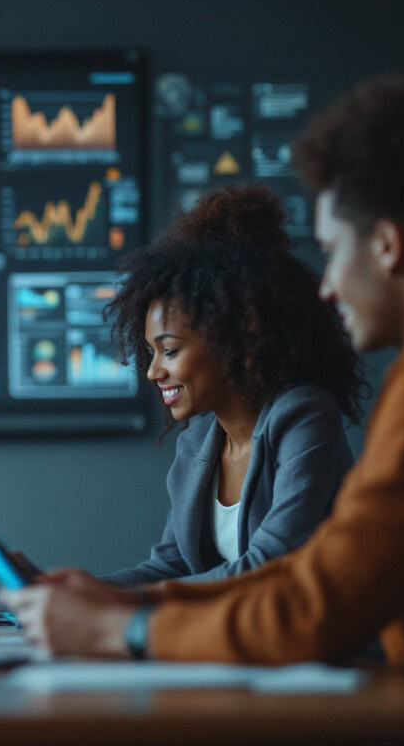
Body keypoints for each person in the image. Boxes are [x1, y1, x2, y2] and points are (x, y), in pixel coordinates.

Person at [0, 77, 404, 680]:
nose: (328, 285)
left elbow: (317, 603)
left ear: (387, 246)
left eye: (334, 250)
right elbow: (320, 575)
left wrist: (119, 627)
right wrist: (101, 601)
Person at [101, 184, 361, 586]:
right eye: (151, 352)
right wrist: (79, 588)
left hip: (323, 646)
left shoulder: (304, 415)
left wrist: (109, 605)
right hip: (234, 644)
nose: (153, 371)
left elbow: (269, 566)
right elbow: (170, 566)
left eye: (169, 351)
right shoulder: (200, 438)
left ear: (231, 341)